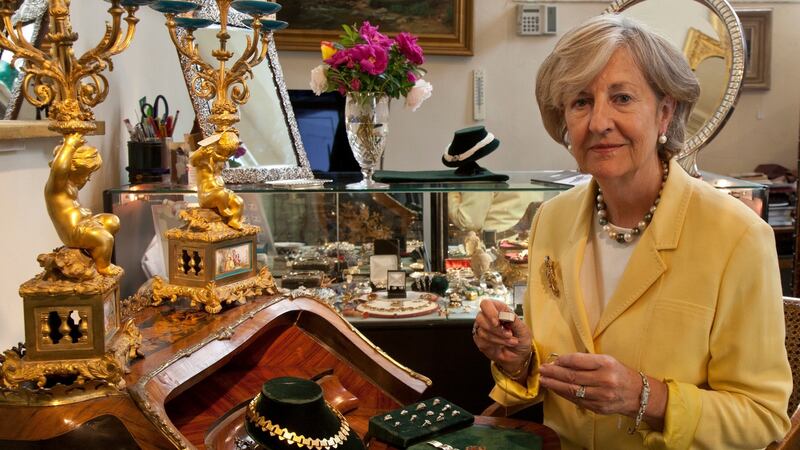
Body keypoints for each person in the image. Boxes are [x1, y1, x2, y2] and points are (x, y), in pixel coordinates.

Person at [472, 15, 792, 449]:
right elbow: (561, 377)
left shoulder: (738, 237)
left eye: (621, 98)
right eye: (581, 102)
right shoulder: (552, 219)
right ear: (564, 119)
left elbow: (762, 419)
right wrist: (521, 360)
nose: (599, 121)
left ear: (665, 112)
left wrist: (649, 397)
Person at [45, 134, 120, 276]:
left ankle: (93, 253)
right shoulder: (57, 187)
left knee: (112, 221)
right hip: (73, 233)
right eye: (87, 174)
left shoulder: (72, 184)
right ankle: (104, 267)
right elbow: (59, 169)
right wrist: (69, 144)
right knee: (105, 238)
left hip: (85, 223)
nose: (89, 179)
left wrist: (77, 147)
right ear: (72, 170)